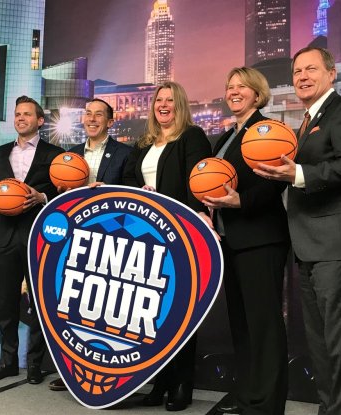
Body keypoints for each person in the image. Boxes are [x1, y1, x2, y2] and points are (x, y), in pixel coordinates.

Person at [255, 47, 341, 415]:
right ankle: (330, 408)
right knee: (321, 343)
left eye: (311, 69)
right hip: (310, 245)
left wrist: (299, 174)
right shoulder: (307, 121)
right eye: (297, 71)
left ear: (331, 74)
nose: (303, 76)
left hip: (337, 243)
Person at [202, 67, 289, 414]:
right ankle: (248, 395)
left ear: (257, 93)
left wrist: (242, 201)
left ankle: (267, 404)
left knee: (264, 325)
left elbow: (277, 178)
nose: (234, 92)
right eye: (229, 87)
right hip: (231, 241)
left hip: (261, 239)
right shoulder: (226, 136)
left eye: (242, 87)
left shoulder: (266, 130)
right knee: (242, 324)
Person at [122, 81, 212, 411]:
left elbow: (198, 183)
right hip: (146, 237)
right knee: (153, 315)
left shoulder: (192, 137)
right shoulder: (144, 142)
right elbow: (129, 181)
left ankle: (182, 384)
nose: (163, 105)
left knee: (179, 311)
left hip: (179, 234)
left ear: (180, 104)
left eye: (170, 100)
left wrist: (198, 216)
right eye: (159, 100)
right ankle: (159, 383)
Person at [48, 97, 132, 392]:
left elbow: (133, 198)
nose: (92, 118)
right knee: (75, 309)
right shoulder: (68, 156)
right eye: (88, 114)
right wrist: (63, 193)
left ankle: (110, 373)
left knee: (109, 313)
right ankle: (73, 371)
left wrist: (105, 193)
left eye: (99, 115)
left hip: (111, 245)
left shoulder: (125, 153)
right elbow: (58, 203)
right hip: (76, 243)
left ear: (110, 122)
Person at [0, 96, 64, 384]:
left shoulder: (55, 154)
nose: (21, 118)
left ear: (40, 121)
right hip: (6, 234)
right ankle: (7, 362)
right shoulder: (0, 152)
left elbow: (65, 195)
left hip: (40, 235)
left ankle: (35, 365)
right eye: (17, 114)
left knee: (39, 303)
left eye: (27, 114)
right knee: (6, 300)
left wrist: (42, 197)